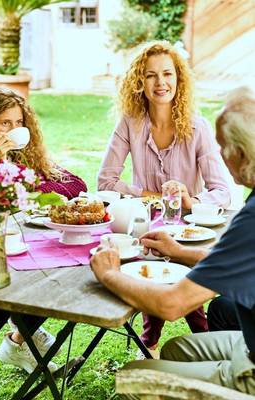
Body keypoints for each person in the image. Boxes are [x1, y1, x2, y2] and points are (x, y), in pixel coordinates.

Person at [91, 86, 255, 395]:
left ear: (241, 153)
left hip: (251, 368)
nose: (218, 154)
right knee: (178, 349)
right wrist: (178, 251)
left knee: (132, 376)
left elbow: (171, 304)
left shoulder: (251, 219)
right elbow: (238, 263)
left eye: (222, 147)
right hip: (248, 343)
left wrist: (108, 274)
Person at [98, 40, 233, 354]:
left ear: (178, 79)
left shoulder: (197, 128)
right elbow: (105, 180)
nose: (161, 83)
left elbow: (223, 191)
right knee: (150, 250)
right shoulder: (129, 125)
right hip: (145, 226)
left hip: (189, 230)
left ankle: (170, 341)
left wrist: (190, 201)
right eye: (150, 75)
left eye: (168, 74)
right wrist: (153, 196)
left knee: (167, 257)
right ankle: (162, 341)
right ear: (139, 82)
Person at [0, 87, 87, 373]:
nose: (15, 129)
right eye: (6, 123)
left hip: (25, 245)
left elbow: (76, 184)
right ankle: (23, 341)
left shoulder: (28, 158)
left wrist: (28, 188)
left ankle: (21, 339)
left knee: (53, 274)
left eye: (19, 123)